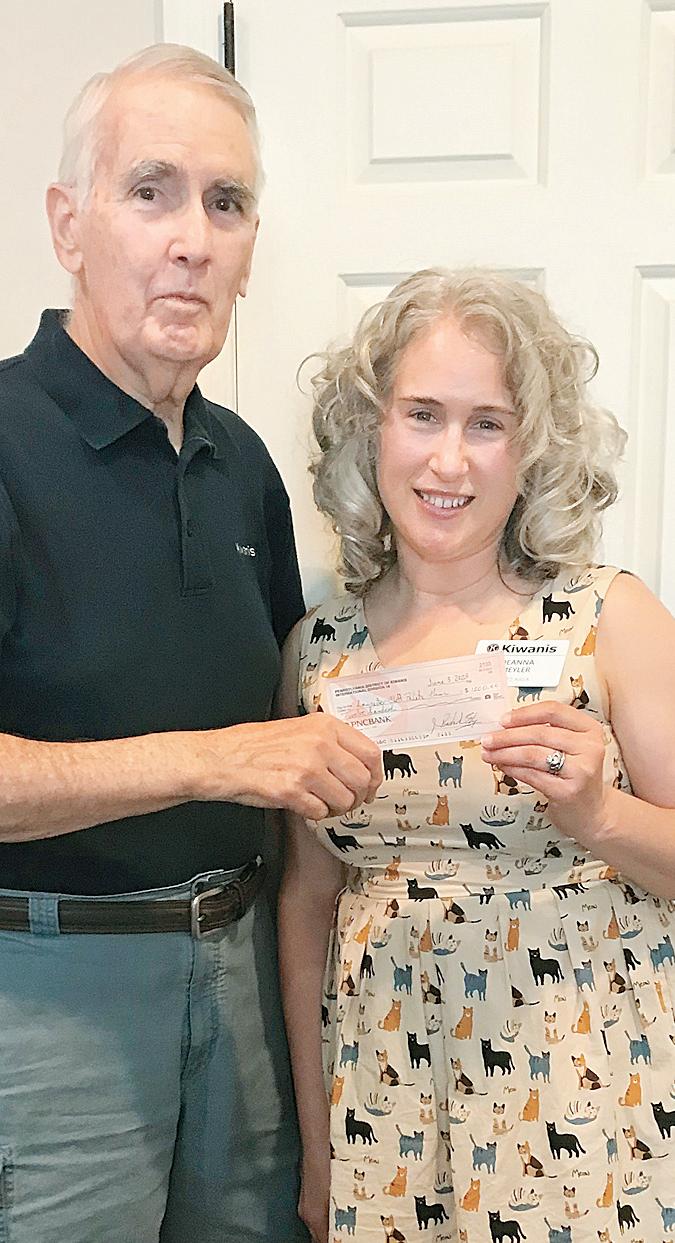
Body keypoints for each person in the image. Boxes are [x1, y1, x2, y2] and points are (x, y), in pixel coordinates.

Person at [0, 43, 382, 1243]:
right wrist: (214, 757)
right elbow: (245, 754)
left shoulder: (244, 466)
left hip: (247, 984)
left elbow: (298, 720)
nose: (193, 240)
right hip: (48, 1001)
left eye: (227, 203)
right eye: (150, 191)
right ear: (68, 224)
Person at [278, 267, 675, 1243]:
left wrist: (600, 816)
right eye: (422, 414)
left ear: (532, 446)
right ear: (370, 429)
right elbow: (308, 901)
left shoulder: (608, 618)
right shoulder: (319, 652)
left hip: (590, 1091)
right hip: (384, 1098)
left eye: (487, 423)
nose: (448, 459)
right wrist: (320, 1148)